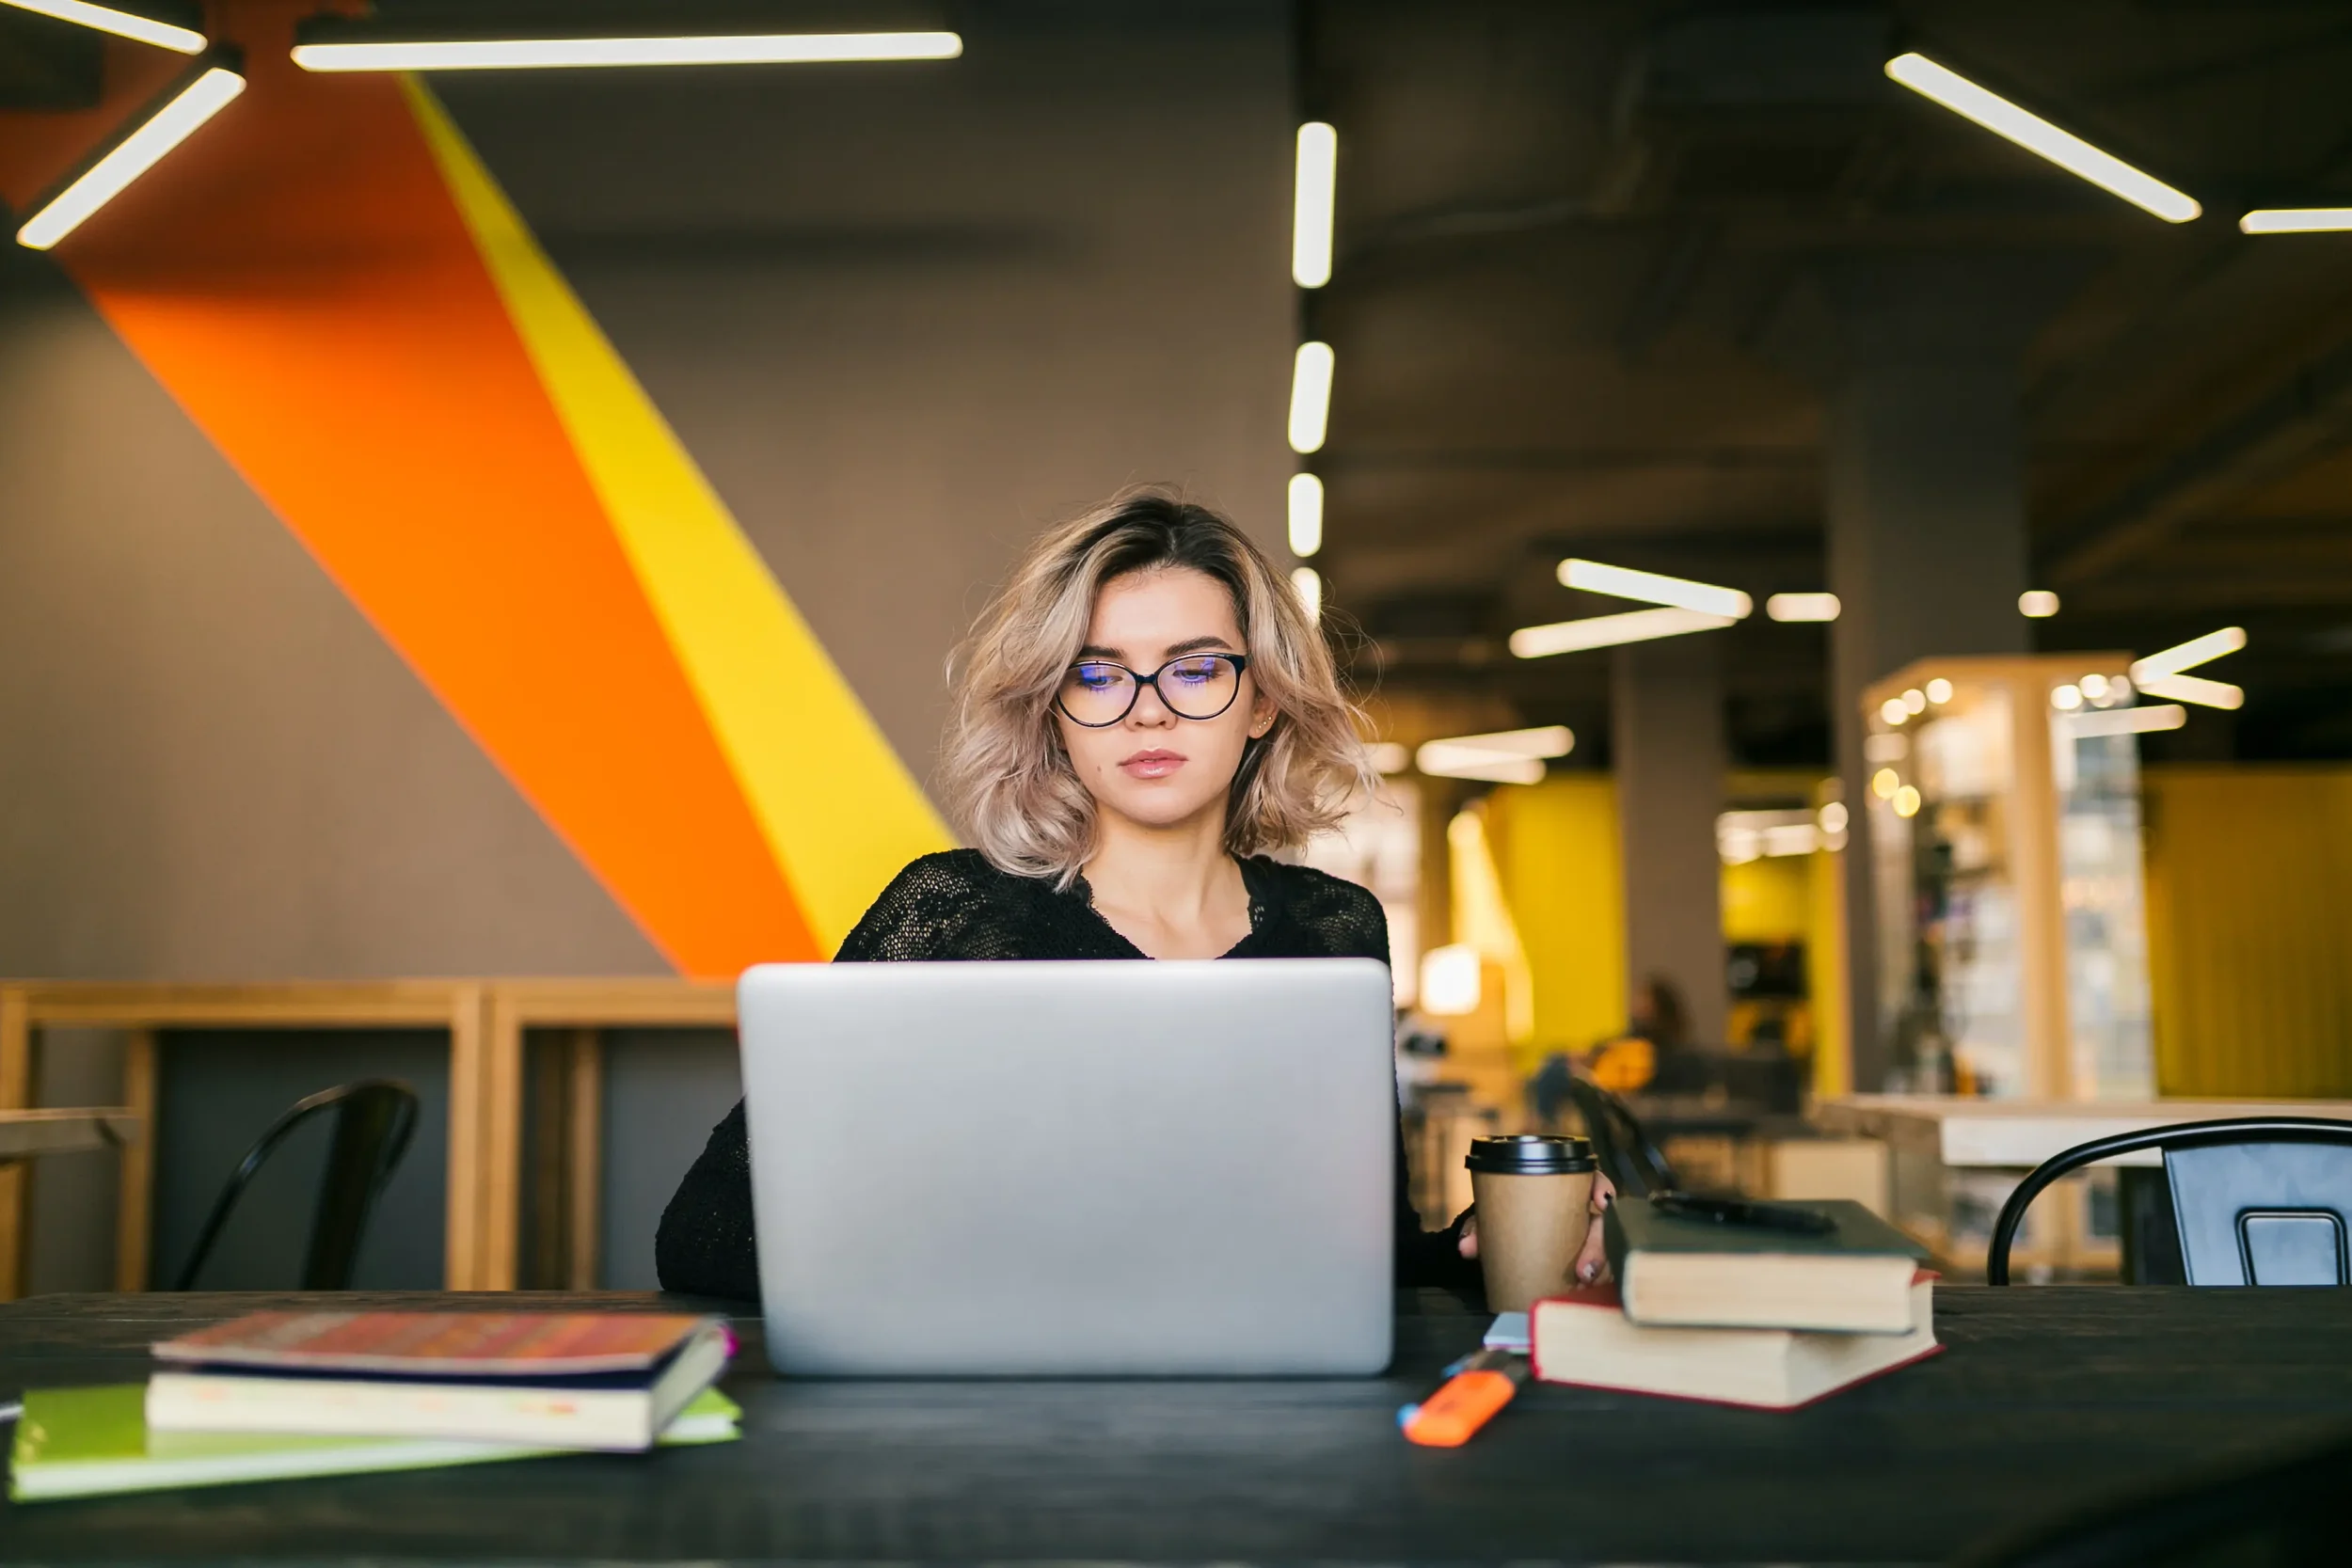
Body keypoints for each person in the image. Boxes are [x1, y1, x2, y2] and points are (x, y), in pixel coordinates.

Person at [654, 490, 1613, 1299]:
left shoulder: (1335, 927)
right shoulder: (952, 914)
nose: (1147, 706)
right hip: (996, 1419)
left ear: (1262, 698)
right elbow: (701, 1235)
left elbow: (1352, 1261)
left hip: (1265, 1435)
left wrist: (1464, 1250)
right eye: (1098, 672)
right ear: (1054, 711)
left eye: (1195, 667)